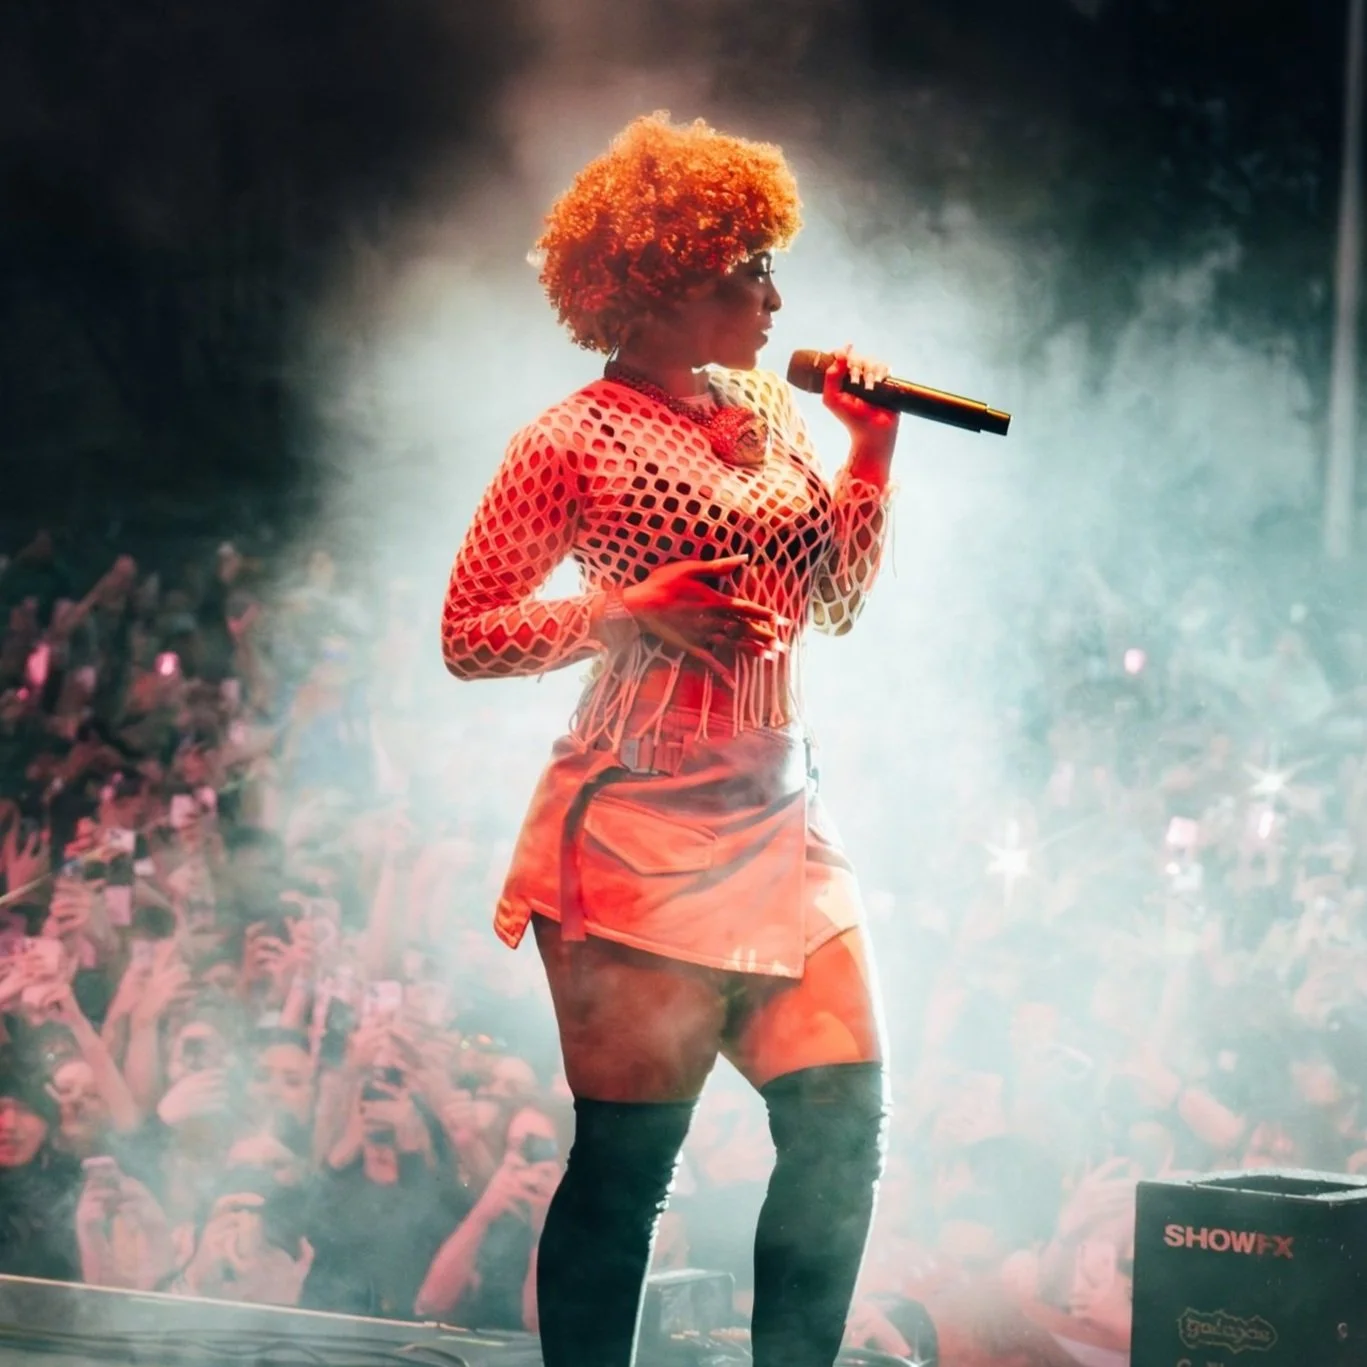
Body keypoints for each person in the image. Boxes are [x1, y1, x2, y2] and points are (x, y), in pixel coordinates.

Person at [439, 112, 898, 1367]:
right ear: (659, 282)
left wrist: (869, 448)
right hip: (636, 821)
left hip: (780, 809)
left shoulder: (767, 410)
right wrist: (623, 609)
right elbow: (467, 632)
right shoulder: (569, 437)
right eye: (749, 272)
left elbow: (834, 602)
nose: (774, 299)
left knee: (843, 1122)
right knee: (631, 1158)